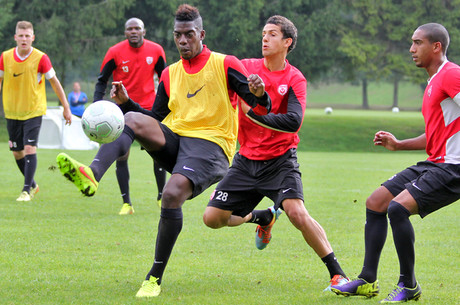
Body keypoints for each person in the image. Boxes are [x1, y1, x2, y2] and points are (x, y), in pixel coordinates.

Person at [55, 4, 271, 298]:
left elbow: (262, 106)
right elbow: (154, 119)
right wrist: (128, 103)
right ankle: (92, 174)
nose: (183, 41)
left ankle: (154, 277)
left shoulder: (226, 63)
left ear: (201, 34)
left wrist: (260, 94)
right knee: (130, 119)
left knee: (170, 195)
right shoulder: (170, 74)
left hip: (212, 146)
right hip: (178, 141)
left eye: (189, 35)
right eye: (178, 35)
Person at [203, 15, 349, 291]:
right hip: (245, 160)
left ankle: (338, 274)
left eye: (272, 34)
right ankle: (263, 217)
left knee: (296, 213)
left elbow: (294, 121)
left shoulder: (295, 78)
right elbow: (215, 67)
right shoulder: (245, 68)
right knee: (213, 219)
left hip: (280, 160)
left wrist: (255, 116)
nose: (265, 39)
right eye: (263, 34)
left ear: (287, 42)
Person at [331, 23, 460, 303]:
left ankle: (409, 285)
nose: (411, 49)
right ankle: (367, 280)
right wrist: (400, 144)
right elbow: (438, 135)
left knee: (398, 209)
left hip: (453, 168)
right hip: (434, 162)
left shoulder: (451, 75)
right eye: (411, 43)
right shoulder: (434, 81)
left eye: (418, 43)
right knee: (375, 202)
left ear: (436, 47)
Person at [93, 17, 167, 215]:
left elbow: (165, 79)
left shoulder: (156, 50)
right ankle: (127, 203)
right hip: (122, 110)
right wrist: (96, 104)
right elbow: (102, 80)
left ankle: (161, 196)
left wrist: (166, 105)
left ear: (144, 31)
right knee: (122, 155)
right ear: (125, 33)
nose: (133, 31)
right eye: (130, 29)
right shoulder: (114, 52)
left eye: (137, 28)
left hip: (149, 110)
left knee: (158, 154)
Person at [0, 20, 72, 202]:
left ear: (33, 38)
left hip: (34, 110)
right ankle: (33, 184)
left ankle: (26, 191)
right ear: (15, 37)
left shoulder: (41, 58)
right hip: (12, 111)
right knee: (17, 152)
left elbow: (54, 83)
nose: (24, 39)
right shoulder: (5, 57)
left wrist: (66, 107)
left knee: (30, 147)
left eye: (27, 36)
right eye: (21, 36)